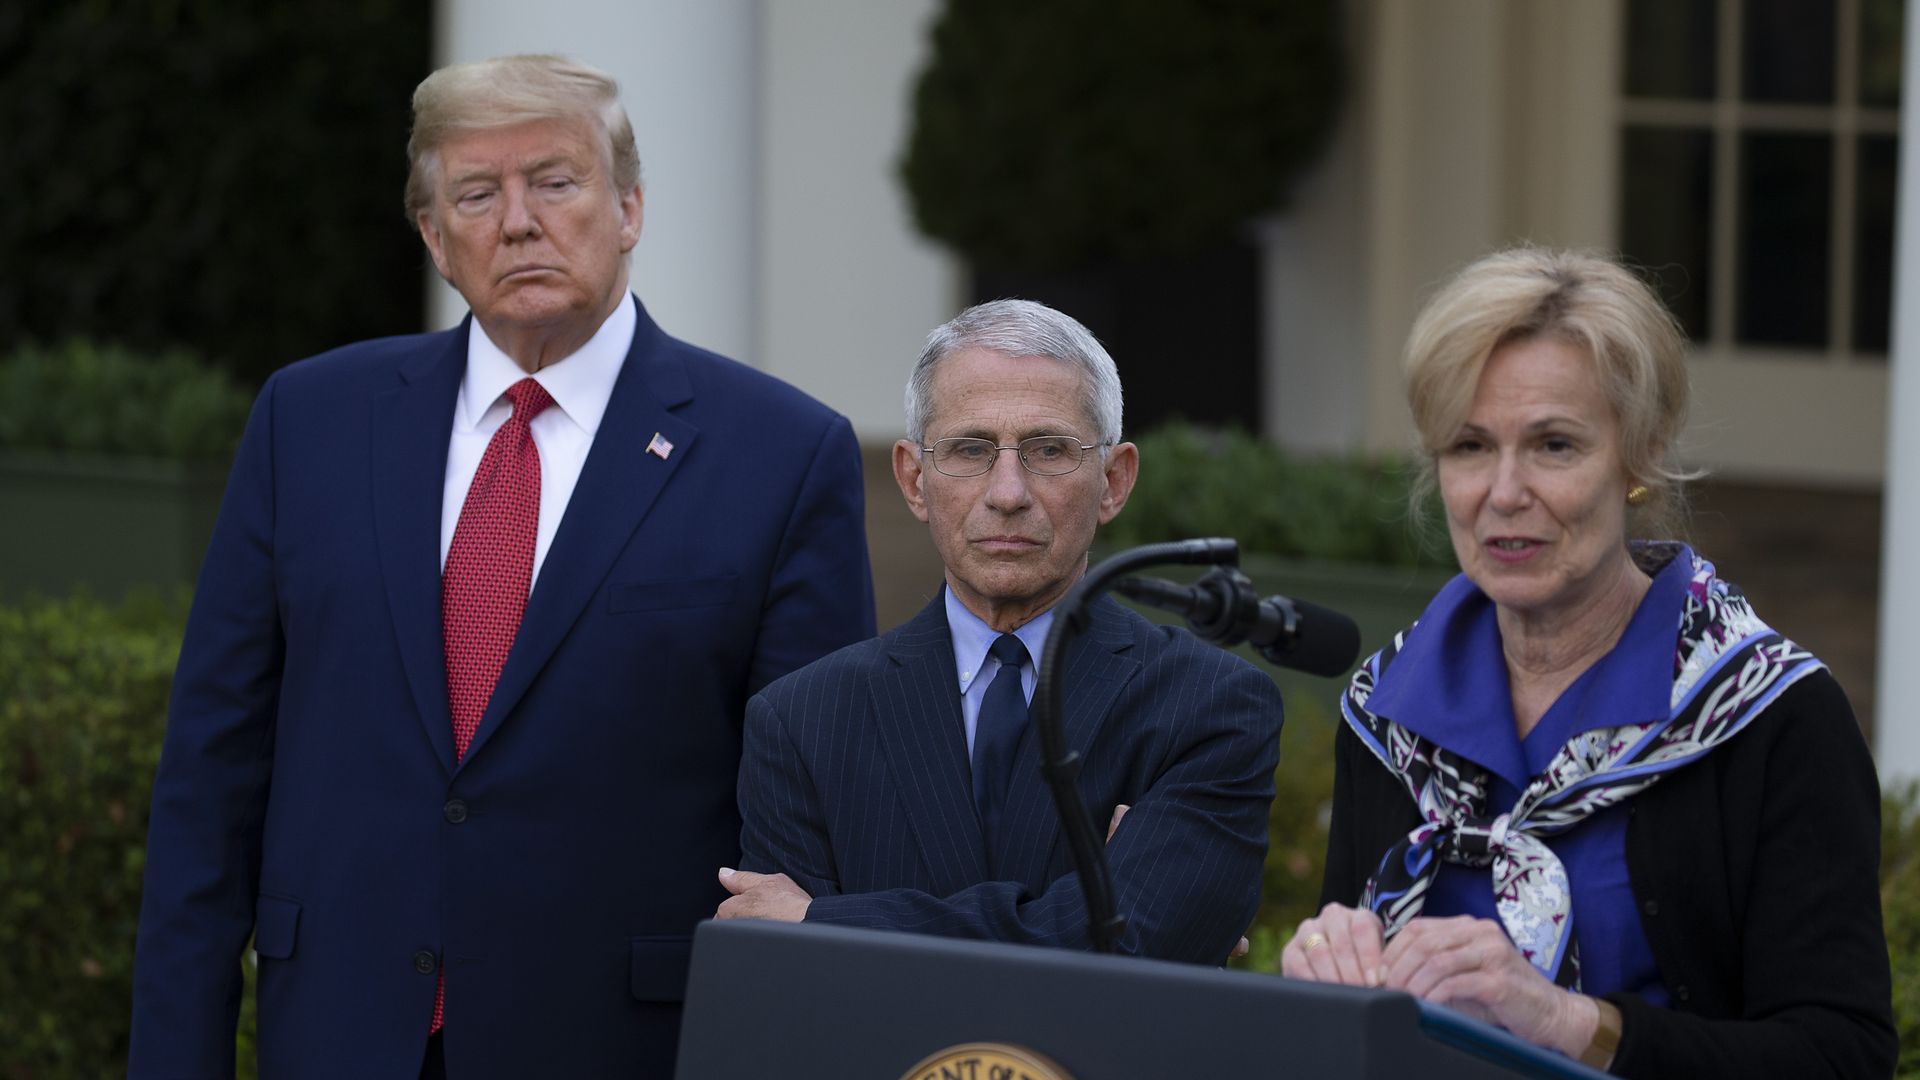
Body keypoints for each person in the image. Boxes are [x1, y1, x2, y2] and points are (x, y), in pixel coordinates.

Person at [129, 54, 874, 1079]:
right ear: (436, 238)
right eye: (478, 195)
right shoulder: (308, 423)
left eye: (556, 182)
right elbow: (210, 782)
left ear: (629, 209)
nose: (518, 221)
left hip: (622, 1043)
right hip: (341, 1034)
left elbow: (812, 828)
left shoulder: (782, 453)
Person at [1284, 247, 1894, 1075]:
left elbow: (1843, 1057)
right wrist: (1326, 980)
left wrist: (1568, 1022)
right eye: (1469, 446)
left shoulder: (1773, 716)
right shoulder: (1386, 708)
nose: (1503, 492)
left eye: (1554, 445)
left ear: (1638, 459)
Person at [714, 299, 1282, 962]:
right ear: (914, 479)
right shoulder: (804, 721)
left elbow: (1143, 940)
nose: (1007, 490)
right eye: (970, 450)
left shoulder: (1209, 705)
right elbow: (793, 994)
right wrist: (1079, 910)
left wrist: (826, 921)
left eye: (1048, 450)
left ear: (1114, 480)